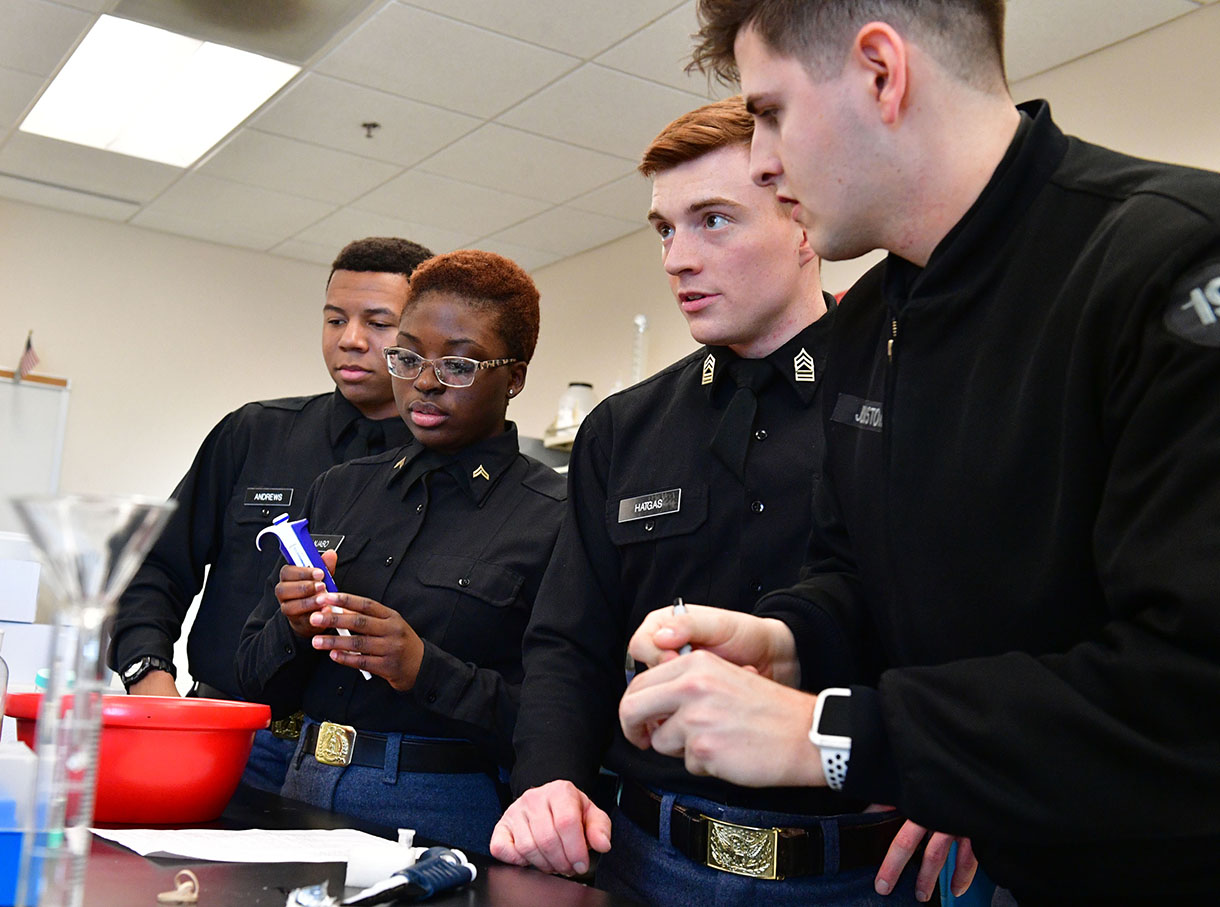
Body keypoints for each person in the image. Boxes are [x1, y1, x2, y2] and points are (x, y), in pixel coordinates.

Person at [617, 1, 1220, 903]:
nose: (762, 159)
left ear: (880, 72)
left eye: (772, 112)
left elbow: (1190, 694)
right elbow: (859, 569)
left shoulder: (1170, 261)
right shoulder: (871, 325)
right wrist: (789, 641)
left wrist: (827, 733)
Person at [491, 98, 961, 905]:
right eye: (665, 229)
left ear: (805, 224)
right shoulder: (623, 429)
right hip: (648, 856)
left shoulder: (917, 400)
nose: (677, 258)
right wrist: (547, 782)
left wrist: (969, 771)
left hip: (862, 871)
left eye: (713, 220)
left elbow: (978, 614)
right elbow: (570, 638)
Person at [236, 249, 566, 855]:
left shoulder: (557, 515)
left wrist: (423, 669)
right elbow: (252, 675)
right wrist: (292, 625)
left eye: (459, 365)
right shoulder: (339, 488)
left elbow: (557, 720)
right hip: (302, 779)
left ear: (514, 377)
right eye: (408, 357)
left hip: (439, 805)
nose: (425, 381)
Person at [108, 236, 432, 791]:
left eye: (378, 323)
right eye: (335, 320)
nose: (350, 341)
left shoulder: (438, 469)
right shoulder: (255, 433)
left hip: (356, 768)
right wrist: (151, 681)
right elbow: (153, 567)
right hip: (224, 735)